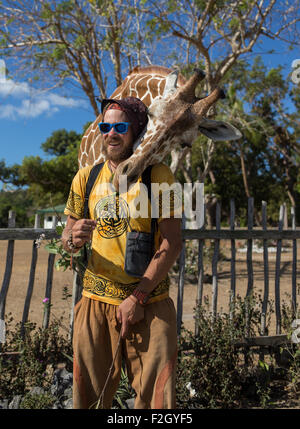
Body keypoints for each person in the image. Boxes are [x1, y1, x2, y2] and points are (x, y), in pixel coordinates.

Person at [62, 96, 182, 409]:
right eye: (105, 126)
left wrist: (138, 297)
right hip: (95, 305)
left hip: (150, 306)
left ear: (136, 130)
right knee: (88, 400)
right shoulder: (86, 178)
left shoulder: (158, 177)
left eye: (120, 126)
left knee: (157, 403)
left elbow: (172, 241)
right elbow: (66, 238)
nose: (111, 133)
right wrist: (72, 238)